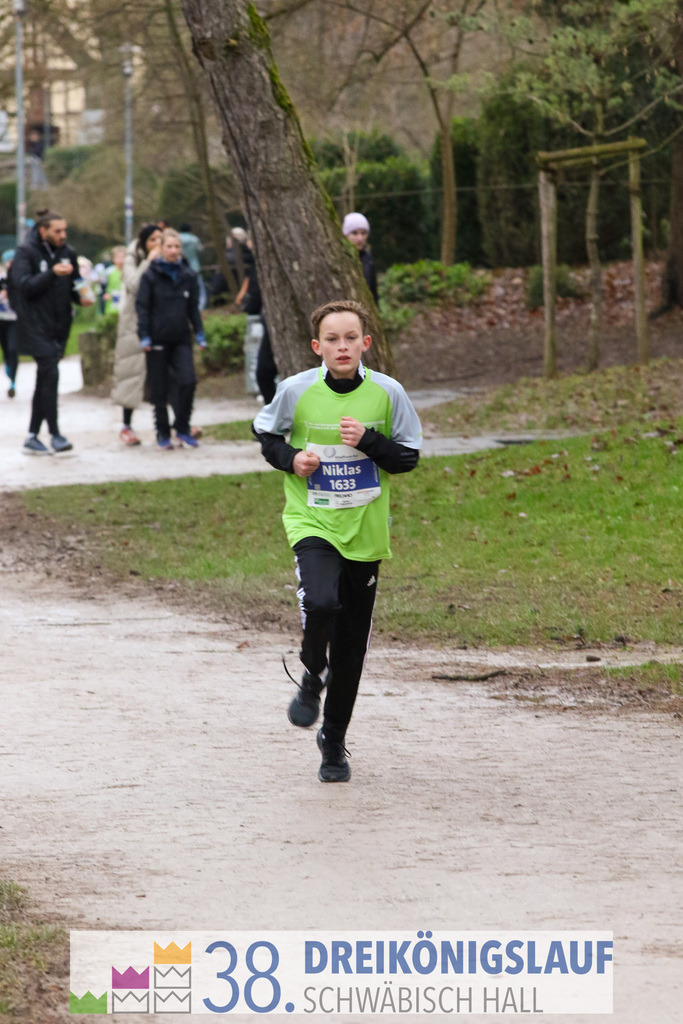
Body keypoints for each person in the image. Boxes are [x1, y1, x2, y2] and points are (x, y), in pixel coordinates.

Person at [252, 298, 422, 783]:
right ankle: (311, 676)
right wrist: (291, 460)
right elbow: (264, 432)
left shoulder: (388, 394)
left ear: (365, 344)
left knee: (351, 648)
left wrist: (368, 441)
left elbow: (407, 458)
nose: (342, 346)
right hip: (313, 520)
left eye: (351, 338)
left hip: (365, 532)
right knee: (322, 603)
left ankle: (334, 742)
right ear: (317, 346)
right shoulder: (296, 390)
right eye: (332, 339)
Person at [10, 210, 94, 455]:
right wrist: (51, 273)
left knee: (45, 380)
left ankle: (32, 435)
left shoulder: (68, 253)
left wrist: (82, 298)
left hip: (59, 326)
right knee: (51, 374)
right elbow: (24, 286)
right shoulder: (26, 253)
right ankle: (55, 434)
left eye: (64, 230)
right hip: (34, 325)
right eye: (57, 231)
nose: (62, 235)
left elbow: (76, 285)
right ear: (44, 231)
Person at [136, 227, 205, 449]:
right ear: (161, 248)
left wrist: (200, 333)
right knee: (159, 389)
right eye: (169, 246)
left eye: (177, 247)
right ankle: (162, 433)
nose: (174, 250)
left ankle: (183, 428)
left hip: (181, 337)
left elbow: (193, 308)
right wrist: (144, 335)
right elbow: (142, 307)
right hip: (156, 339)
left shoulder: (188, 276)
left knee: (188, 381)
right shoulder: (150, 275)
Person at [111, 224, 162, 445]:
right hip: (134, 323)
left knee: (168, 374)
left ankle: (176, 425)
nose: (158, 245)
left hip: (161, 323)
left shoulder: (170, 257)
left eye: (161, 239)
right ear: (143, 242)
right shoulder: (134, 258)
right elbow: (134, 284)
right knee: (130, 374)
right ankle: (126, 426)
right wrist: (149, 261)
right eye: (153, 240)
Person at [343, 212, 378, 303]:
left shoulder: (368, 259)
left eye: (363, 233)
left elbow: (374, 293)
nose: (360, 238)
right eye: (354, 233)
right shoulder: (340, 259)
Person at [0, 250, 18, 398]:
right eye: (9, 261)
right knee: (6, 350)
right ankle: (8, 366)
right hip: (1, 320)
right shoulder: (2, 278)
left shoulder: (20, 278)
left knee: (13, 349)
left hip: (14, 320)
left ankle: (13, 381)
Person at [178, 223, 206, 310]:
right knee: (199, 288)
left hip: (180, 267)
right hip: (194, 266)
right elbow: (201, 250)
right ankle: (200, 306)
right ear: (190, 230)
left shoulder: (176, 239)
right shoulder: (194, 239)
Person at [103, 245, 126, 315]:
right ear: (113, 259)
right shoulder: (109, 272)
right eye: (119, 257)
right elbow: (104, 284)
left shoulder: (128, 271)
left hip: (125, 300)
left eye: (123, 257)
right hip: (112, 302)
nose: (121, 260)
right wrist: (106, 294)